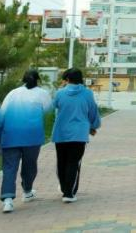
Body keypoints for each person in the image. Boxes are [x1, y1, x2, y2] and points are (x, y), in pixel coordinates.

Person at [0, 69, 53, 213]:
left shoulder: (12, 93)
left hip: (10, 135)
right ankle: (27, 191)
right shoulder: (43, 94)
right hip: (32, 136)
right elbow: (48, 110)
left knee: (9, 168)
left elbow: (1, 116)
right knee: (30, 166)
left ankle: (7, 200)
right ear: (38, 80)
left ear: (23, 79)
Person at [52, 68, 102, 203]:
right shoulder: (87, 93)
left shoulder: (59, 93)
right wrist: (93, 126)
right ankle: (69, 193)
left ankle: (64, 188)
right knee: (73, 162)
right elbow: (93, 111)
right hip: (79, 134)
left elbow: (55, 107)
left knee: (61, 162)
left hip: (61, 133)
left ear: (67, 79)